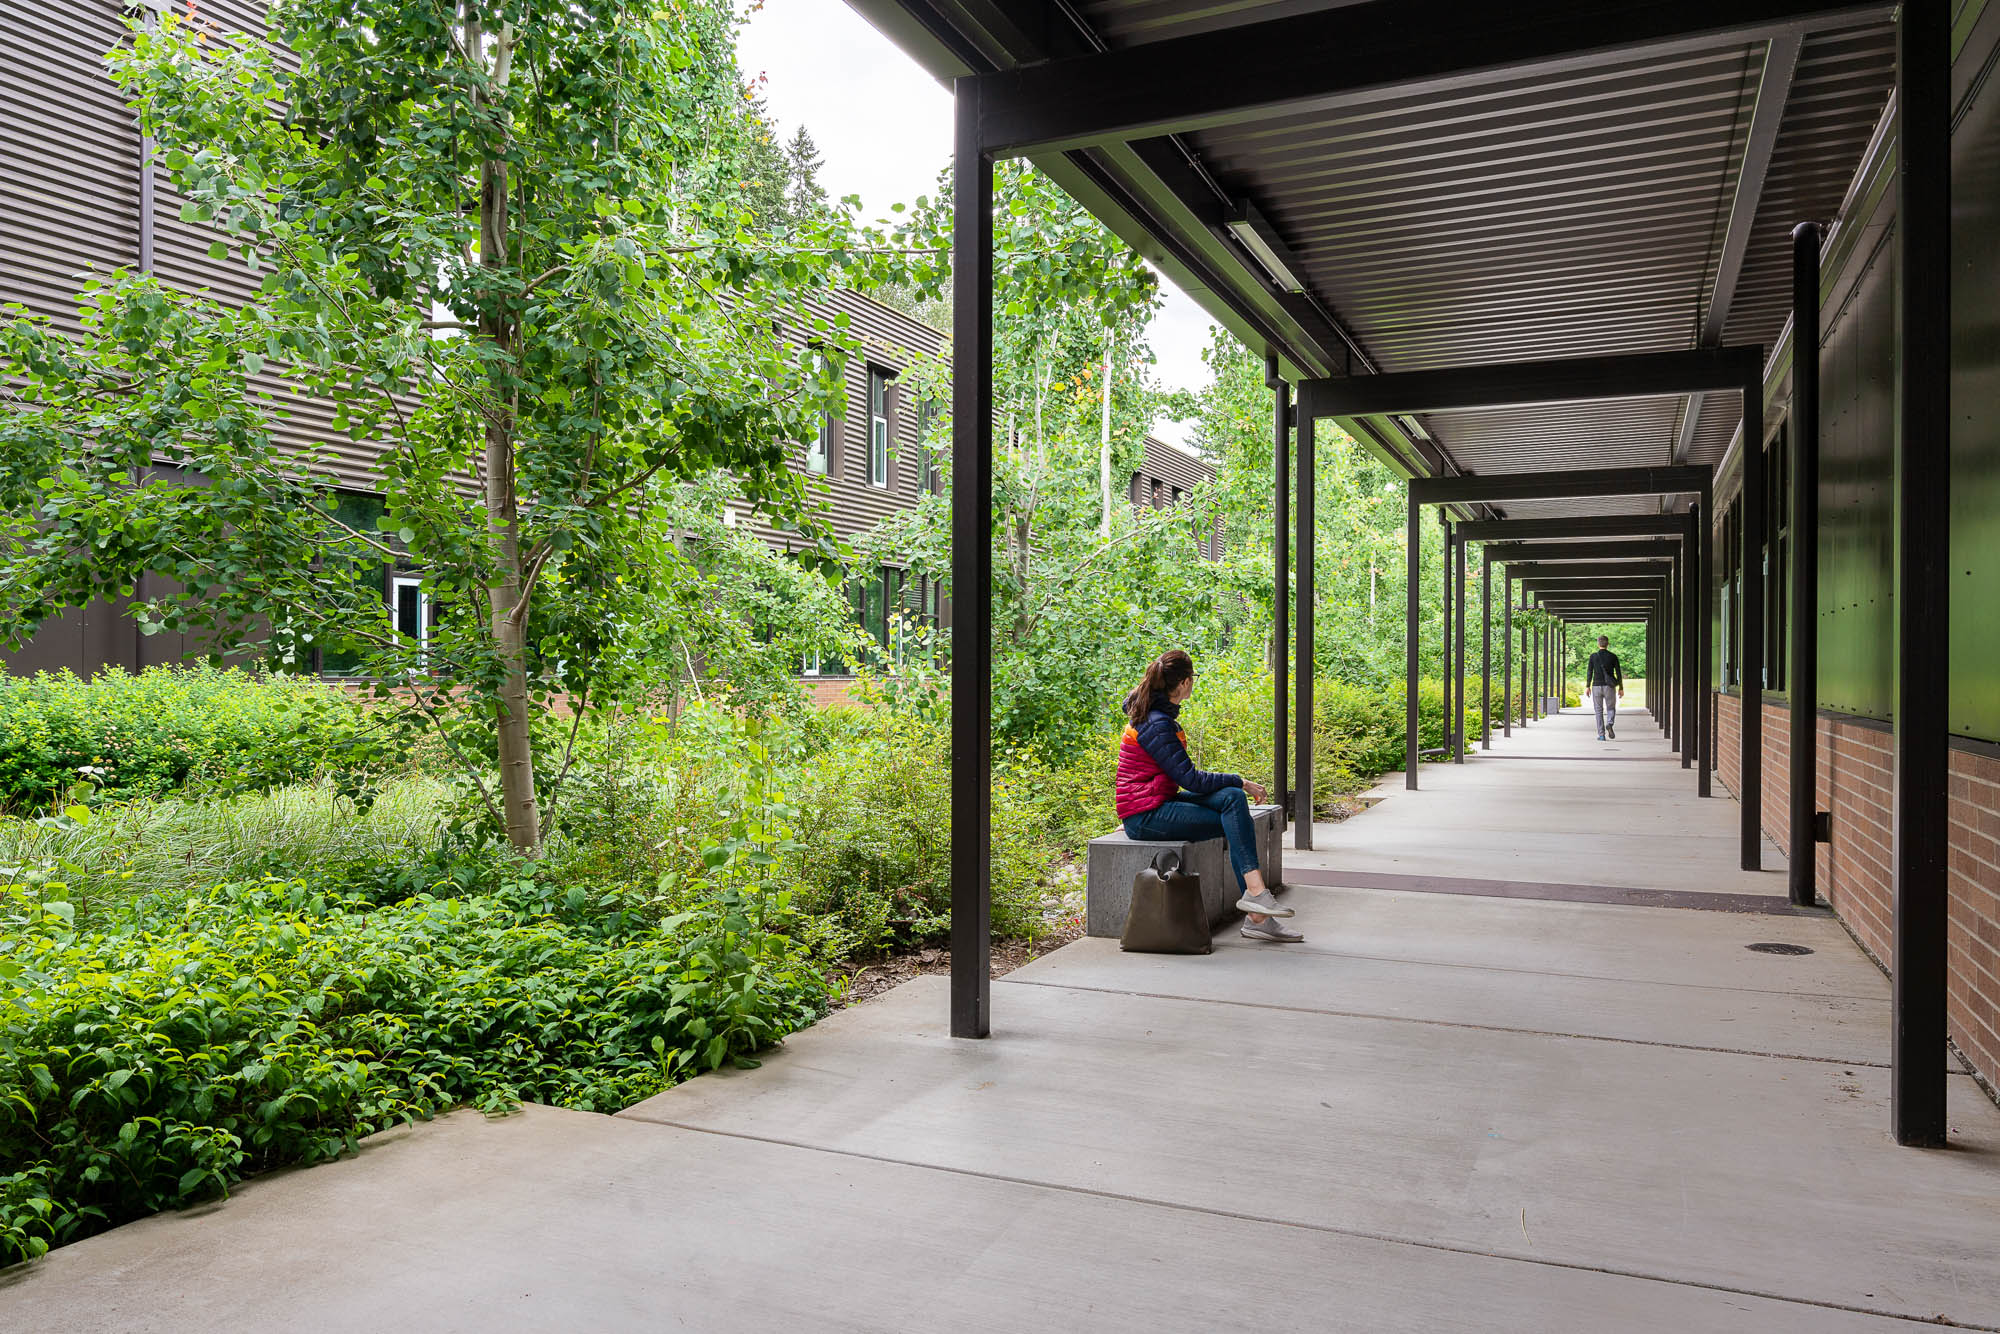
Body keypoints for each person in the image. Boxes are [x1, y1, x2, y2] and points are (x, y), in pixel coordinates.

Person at [1115, 650, 1301, 943]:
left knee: (1232, 800)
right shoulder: (1156, 723)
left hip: (1158, 801)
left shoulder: (1157, 713)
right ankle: (1258, 910)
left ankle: (1257, 902)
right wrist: (1241, 780)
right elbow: (1191, 779)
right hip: (1144, 816)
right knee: (1235, 810)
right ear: (1186, 682)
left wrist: (1236, 786)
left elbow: (1183, 779)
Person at [1586, 635, 1624, 740]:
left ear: (1598, 644)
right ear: (1608, 644)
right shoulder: (1613, 656)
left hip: (1596, 686)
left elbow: (1589, 671)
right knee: (1611, 708)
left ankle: (1601, 735)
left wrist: (1587, 686)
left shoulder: (1593, 656)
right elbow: (1619, 673)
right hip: (1609, 687)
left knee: (1598, 711)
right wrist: (1621, 688)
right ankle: (1610, 723)